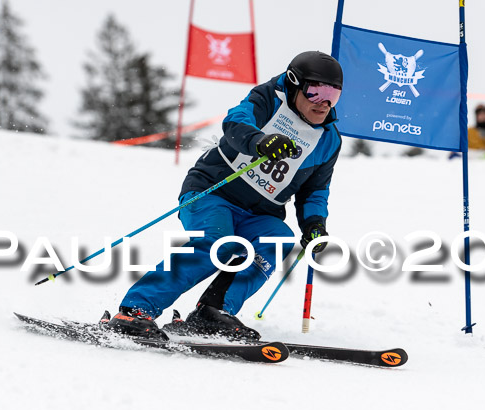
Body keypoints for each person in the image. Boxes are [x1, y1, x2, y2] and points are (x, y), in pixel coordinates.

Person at [106, 51, 344, 340]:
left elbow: (315, 190)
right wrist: (259, 141)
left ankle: (213, 311)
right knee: (218, 243)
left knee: (278, 238)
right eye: (315, 91)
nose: (324, 102)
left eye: (333, 94)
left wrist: (314, 224)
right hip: (213, 191)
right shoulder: (269, 99)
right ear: (294, 84)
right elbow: (235, 123)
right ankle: (135, 311)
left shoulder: (329, 139)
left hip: (261, 213)